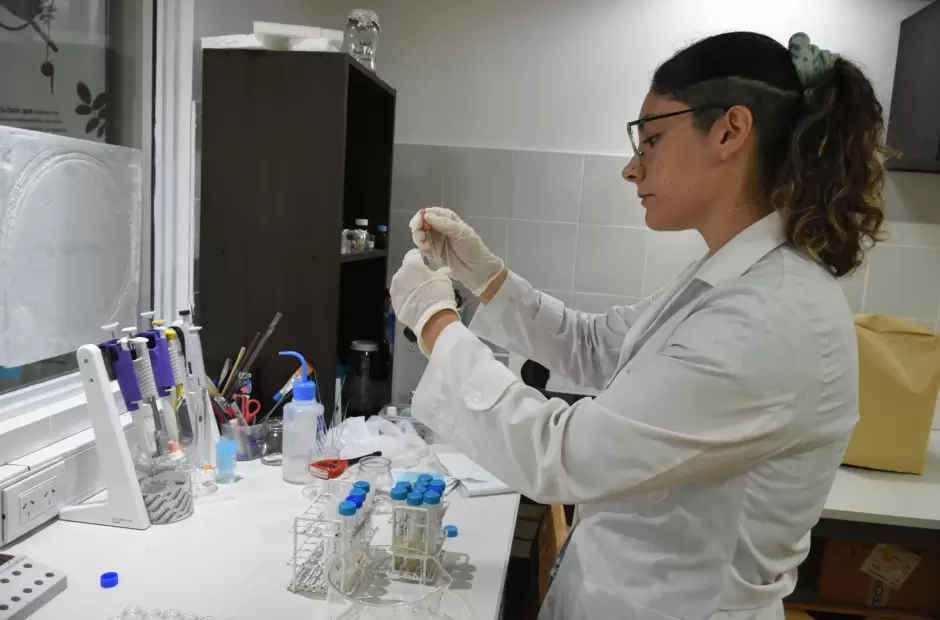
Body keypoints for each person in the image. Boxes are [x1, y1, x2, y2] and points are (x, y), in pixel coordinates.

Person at [390, 31, 889, 620]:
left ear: (730, 131)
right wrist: (488, 278)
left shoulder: (770, 316)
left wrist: (435, 323)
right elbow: (594, 345)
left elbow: (560, 455)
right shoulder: (729, 278)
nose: (632, 168)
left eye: (651, 139)